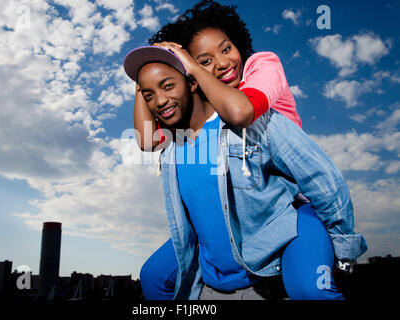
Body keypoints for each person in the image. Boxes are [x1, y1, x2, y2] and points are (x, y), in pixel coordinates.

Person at [123, 46, 367, 300]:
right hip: (216, 267)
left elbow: (323, 179)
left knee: (311, 292)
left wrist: (343, 250)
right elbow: (145, 137)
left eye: (168, 86)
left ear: (193, 83)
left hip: (274, 247)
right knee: (151, 277)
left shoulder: (255, 123)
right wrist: (142, 81)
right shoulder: (171, 148)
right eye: (149, 94)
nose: (160, 101)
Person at [134, 0, 301, 153]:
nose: (222, 63)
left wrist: (196, 68)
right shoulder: (207, 98)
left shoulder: (262, 65)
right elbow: (148, 141)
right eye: (206, 61)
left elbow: (240, 113)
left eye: (226, 49)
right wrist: (143, 75)